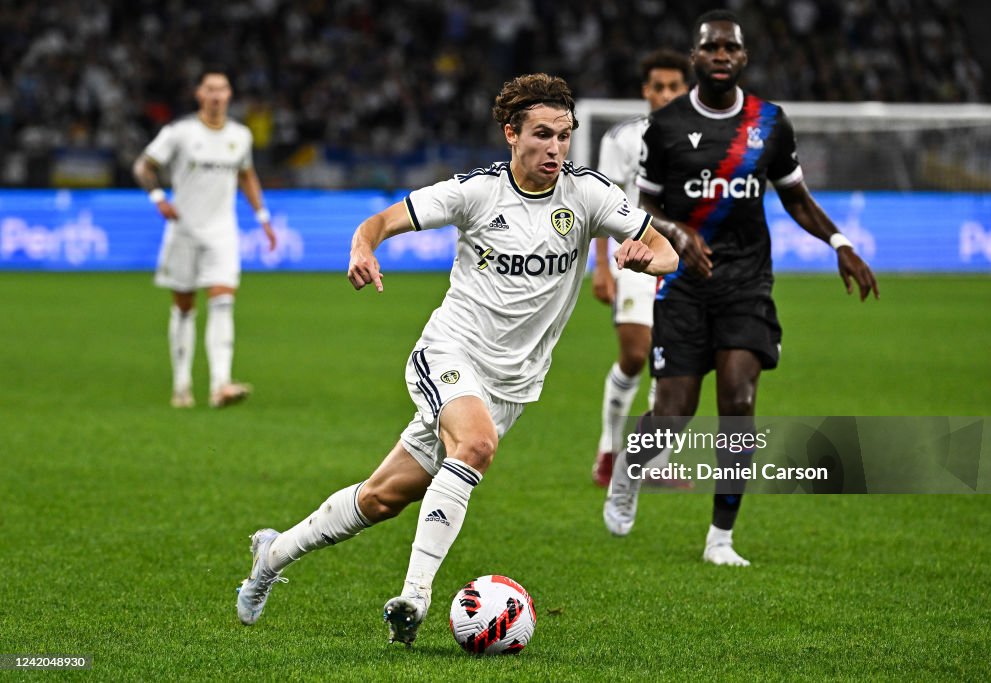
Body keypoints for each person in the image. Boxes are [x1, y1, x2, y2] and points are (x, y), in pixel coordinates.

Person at [235, 73, 682, 644]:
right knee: (474, 444)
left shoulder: (589, 194)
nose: (556, 149)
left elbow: (665, 249)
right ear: (510, 134)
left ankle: (271, 555)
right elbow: (380, 221)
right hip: (449, 350)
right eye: (542, 135)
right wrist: (362, 248)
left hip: (512, 385)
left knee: (381, 498)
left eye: (564, 136)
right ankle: (414, 598)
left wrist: (650, 258)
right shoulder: (476, 192)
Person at [603, 10, 879, 566]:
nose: (722, 55)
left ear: (744, 57)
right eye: (712, 48)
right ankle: (630, 470)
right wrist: (678, 234)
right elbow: (644, 204)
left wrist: (841, 243)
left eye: (732, 47)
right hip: (681, 283)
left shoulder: (770, 124)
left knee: (740, 401)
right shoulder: (666, 127)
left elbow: (796, 198)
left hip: (747, 283)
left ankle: (721, 538)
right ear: (696, 57)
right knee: (674, 413)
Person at [133, 68, 276, 409]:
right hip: (183, 230)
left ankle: (220, 385)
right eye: (210, 89)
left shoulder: (240, 136)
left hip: (222, 231)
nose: (216, 95)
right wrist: (158, 198)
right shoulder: (180, 133)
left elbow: (247, 175)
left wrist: (263, 217)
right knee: (184, 308)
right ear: (199, 94)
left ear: (229, 95)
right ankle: (182, 386)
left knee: (223, 300)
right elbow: (143, 166)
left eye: (222, 89)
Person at [591, 49, 690, 488]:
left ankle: (653, 462)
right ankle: (609, 451)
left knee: (671, 361)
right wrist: (601, 268)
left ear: (686, 89)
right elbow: (602, 206)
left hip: (685, 261)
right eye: (659, 86)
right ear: (645, 90)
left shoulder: (709, 138)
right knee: (635, 355)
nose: (666, 94)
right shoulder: (621, 139)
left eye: (674, 86)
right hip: (635, 257)